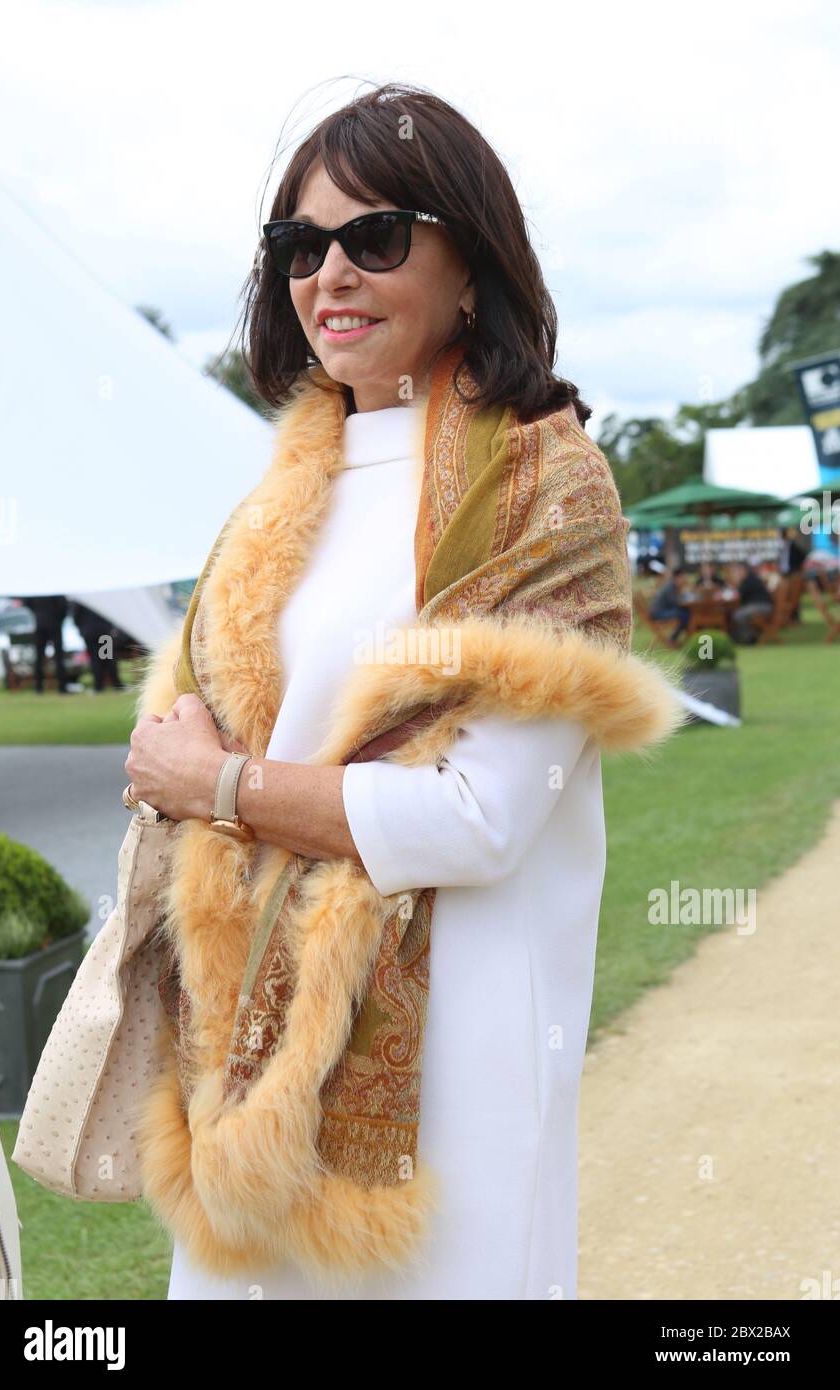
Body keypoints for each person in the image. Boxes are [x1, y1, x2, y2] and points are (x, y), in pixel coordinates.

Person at [121, 83, 681, 1302]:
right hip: (251, 1062)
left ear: (469, 264)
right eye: (297, 247)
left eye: (374, 238)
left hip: (455, 1066)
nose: (330, 274)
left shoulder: (545, 490)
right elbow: (176, 728)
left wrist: (221, 787)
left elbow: (477, 820)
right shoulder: (274, 500)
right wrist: (199, 764)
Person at [67, 600, 126, 691]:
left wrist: (81, 629)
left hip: (90, 632)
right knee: (108, 658)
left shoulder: (82, 598)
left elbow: (76, 616)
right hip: (104, 631)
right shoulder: (102, 596)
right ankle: (116, 684)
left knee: (95, 659)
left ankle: (98, 685)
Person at [23, 595, 69, 693]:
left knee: (40, 658)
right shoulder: (55, 592)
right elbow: (64, 607)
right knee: (58, 658)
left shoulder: (37, 592)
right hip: (54, 624)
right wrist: (58, 619)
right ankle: (62, 687)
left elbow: (27, 602)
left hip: (40, 624)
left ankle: (39, 687)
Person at [729, 559, 774, 643]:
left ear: (743, 570)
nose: (736, 574)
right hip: (760, 605)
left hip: (762, 606)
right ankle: (742, 636)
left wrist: (737, 581)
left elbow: (737, 595)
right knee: (737, 612)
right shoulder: (749, 578)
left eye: (737, 571)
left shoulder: (749, 580)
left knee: (738, 615)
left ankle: (748, 638)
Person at [649, 565, 691, 641]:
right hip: (658, 613)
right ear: (677, 577)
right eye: (683, 577)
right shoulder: (670, 587)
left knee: (685, 612)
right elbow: (676, 603)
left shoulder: (671, 585)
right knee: (684, 614)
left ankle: (682, 636)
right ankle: (674, 638)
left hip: (659, 611)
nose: (684, 579)